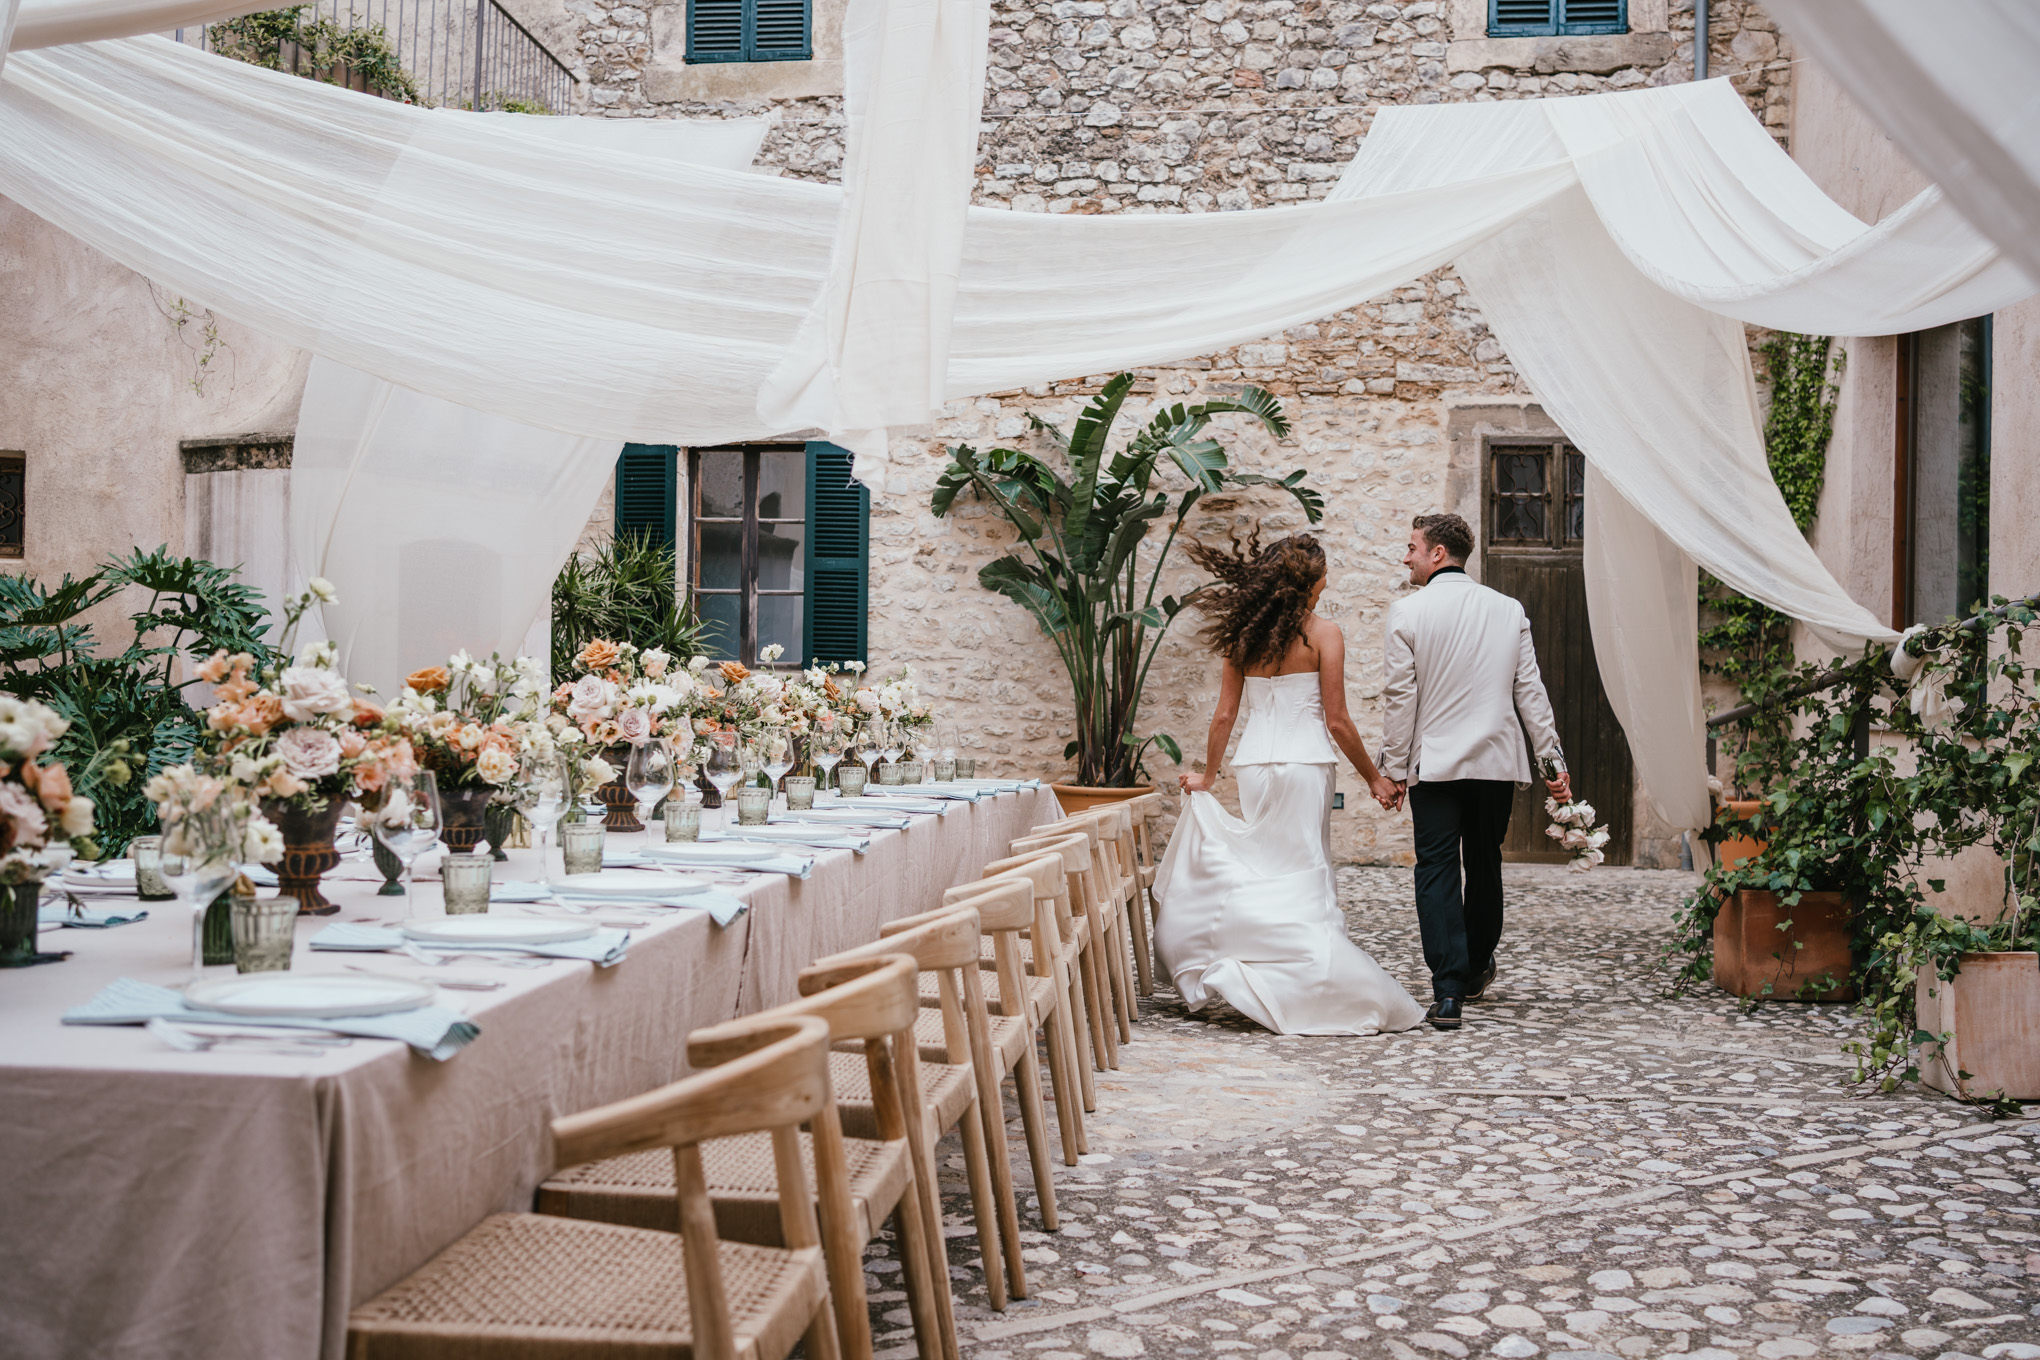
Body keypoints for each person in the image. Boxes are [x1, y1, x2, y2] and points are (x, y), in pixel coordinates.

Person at [1152, 531, 1425, 1037]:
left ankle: (1257, 966)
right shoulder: (1325, 634)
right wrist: (1375, 779)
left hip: (1255, 764)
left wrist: (1209, 777)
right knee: (1306, 867)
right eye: (1323, 573)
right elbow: (1338, 721)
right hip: (1305, 766)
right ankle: (1314, 981)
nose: (1327, 580)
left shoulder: (1244, 637)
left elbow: (1225, 715)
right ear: (1309, 580)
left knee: (1266, 866)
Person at [1380, 512, 1569, 1031]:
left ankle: (1447, 992)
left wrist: (1394, 771)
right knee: (1484, 862)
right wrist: (1552, 761)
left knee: (1436, 867)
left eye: (1413, 547)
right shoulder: (1509, 610)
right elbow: (1530, 691)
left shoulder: (1407, 613)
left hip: (1436, 764)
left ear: (1438, 553)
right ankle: (1476, 967)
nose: (1407, 556)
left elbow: (1401, 699)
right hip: (1494, 762)